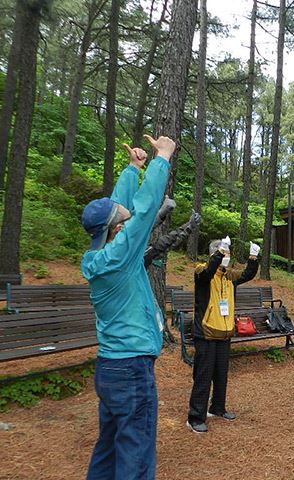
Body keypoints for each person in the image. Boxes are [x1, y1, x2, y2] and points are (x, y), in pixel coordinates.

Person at [82, 135, 176, 480]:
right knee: (135, 458)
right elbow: (147, 207)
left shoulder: (99, 255)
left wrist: (133, 167)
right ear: (116, 228)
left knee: (108, 451)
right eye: (122, 219)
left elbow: (117, 207)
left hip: (110, 369)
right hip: (131, 370)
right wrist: (161, 158)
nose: (126, 216)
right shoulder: (122, 254)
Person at [186, 236, 261, 433]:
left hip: (224, 334)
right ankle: (195, 417)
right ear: (215, 254)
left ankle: (217, 408)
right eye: (223, 253)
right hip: (206, 334)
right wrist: (220, 253)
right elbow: (209, 271)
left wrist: (253, 257)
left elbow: (246, 275)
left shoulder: (228, 276)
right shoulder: (202, 271)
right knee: (203, 377)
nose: (226, 257)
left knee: (221, 375)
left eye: (227, 253)